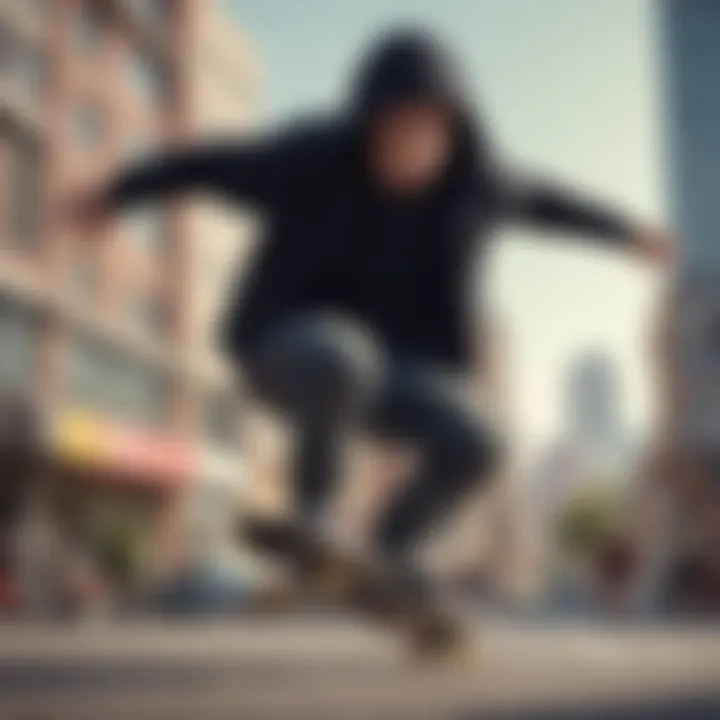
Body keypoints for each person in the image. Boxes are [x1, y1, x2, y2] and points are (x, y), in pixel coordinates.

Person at [60, 29, 673, 591]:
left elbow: (550, 204)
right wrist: (115, 193)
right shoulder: (309, 161)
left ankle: (391, 547)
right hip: (282, 350)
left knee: (479, 441)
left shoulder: (478, 184)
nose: (408, 148)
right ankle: (315, 516)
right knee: (341, 351)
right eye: (393, 130)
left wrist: (627, 234)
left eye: (425, 132)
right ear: (368, 125)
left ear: (451, 132)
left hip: (389, 375)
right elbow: (204, 164)